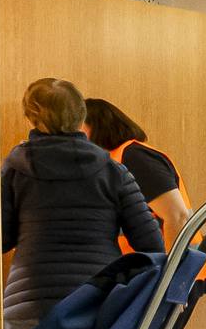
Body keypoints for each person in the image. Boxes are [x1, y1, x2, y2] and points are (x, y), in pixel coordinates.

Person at [0, 78, 163, 329]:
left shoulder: (15, 167)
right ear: (80, 115)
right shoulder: (112, 170)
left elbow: (2, 239)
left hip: (29, 301)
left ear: (31, 117)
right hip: (97, 299)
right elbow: (150, 243)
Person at [82, 98, 192, 251]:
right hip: (140, 269)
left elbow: (177, 216)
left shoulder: (135, 157)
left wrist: (170, 271)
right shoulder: (110, 161)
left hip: (178, 271)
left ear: (97, 126)